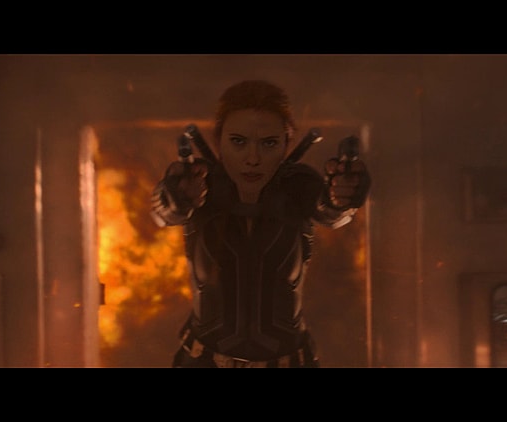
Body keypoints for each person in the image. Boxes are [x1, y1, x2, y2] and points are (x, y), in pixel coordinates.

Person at [150, 79, 371, 367]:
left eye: (268, 143)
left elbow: (329, 210)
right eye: (238, 142)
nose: (253, 159)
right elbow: (165, 210)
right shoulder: (200, 183)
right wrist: (174, 197)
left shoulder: (298, 186)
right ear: (219, 142)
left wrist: (343, 197)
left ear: (286, 144)